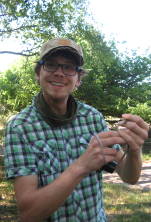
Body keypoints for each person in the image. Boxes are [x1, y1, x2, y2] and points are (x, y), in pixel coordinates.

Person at [4, 38, 149, 222]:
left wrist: (135, 150)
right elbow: (28, 214)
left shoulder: (93, 117)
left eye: (69, 67)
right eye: (50, 65)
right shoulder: (19, 127)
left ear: (78, 79)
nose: (59, 73)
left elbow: (129, 177)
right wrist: (81, 166)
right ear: (38, 73)